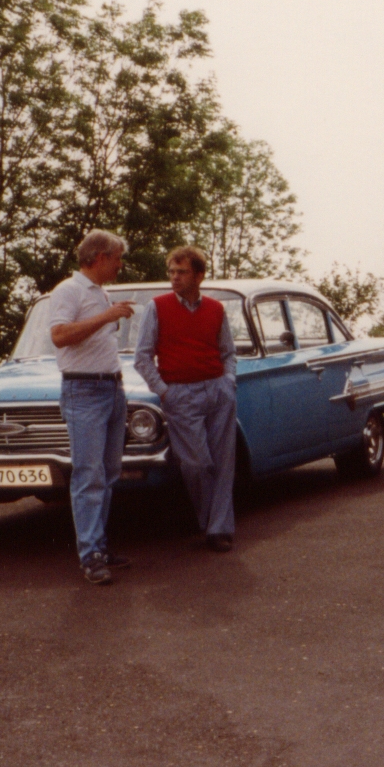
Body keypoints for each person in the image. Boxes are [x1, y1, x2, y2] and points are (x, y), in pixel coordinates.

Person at [134, 245, 240, 552]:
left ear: (199, 275)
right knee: (196, 463)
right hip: (180, 394)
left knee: (223, 462)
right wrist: (165, 391)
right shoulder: (158, 307)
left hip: (218, 390)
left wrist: (228, 381)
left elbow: (228, 352)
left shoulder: (216, 309)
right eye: (171, 272)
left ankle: (218, 530)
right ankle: (209, 519)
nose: (175, 278)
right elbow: (142, 358)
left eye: (181, 272)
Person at [49, 229, 137, 584]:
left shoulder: (99, 291)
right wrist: (105, 316)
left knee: (108, 473)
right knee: (89, 475)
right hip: (82, 390)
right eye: (117, 258)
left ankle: (99, 545)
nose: (119, 265)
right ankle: (90, 556)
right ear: (99, 257)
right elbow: (59, 336)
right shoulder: (68, 290)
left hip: (111, 389)